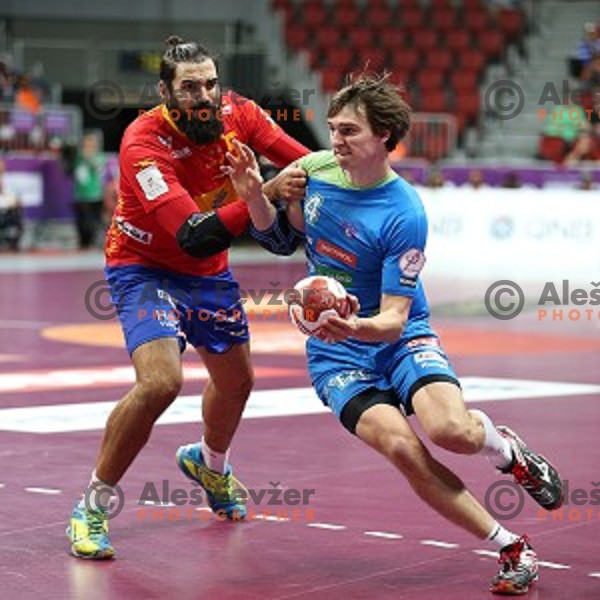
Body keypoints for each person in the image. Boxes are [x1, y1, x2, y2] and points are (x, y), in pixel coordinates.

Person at [224, 75, 564, 596]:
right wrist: (254, 196)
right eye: (334, 128)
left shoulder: (404, 212)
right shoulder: (314, 171)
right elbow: (278, 238)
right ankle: (510, 547)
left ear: (384, 136)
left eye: (349, 131)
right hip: (336, 356)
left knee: (452, 431)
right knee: (405, 450)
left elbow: (395, 319)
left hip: (396, 336)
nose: (335, 140)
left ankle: (507, 452)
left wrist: (352, 324)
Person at [67, 35, 309, 559]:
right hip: (145, 266)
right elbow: (193, 233)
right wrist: (263, 194)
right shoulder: (143, 143)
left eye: (210, 84)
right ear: (166, 92)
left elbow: (308, 163)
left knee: (238, 382)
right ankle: (92, 506)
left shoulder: (239, 113)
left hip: (208, 273)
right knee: (160, 383)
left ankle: (209, 463)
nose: (204, 96)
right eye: (190, 87)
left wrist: (372, 182)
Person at [72, 132, 106, 249]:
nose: (88, 147)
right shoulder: (78, 158)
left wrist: (88, 157)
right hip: (80, 195)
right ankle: (83, 243)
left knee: (94, 222)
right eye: (86, 144)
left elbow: (97, 166)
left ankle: (95, 242)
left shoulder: (99, 157)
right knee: (81, 222)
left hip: (94, 195)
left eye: (91, 145)